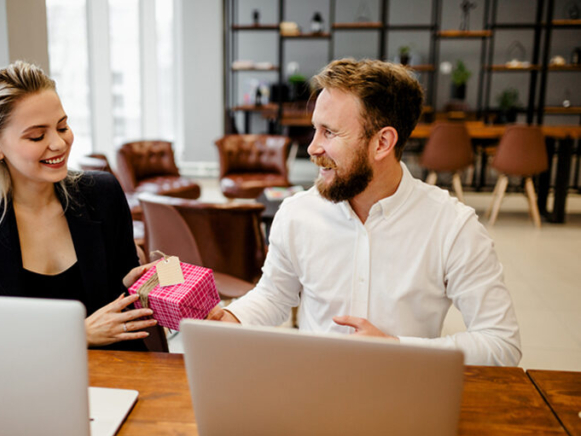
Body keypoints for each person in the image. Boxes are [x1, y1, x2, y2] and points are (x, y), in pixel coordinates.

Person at [209, 59, 521, 366]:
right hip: (313, 395)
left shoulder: (453, 227)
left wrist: (396, 348)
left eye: (329, 133)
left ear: (382, 142)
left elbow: (501, 343)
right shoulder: (296, 213)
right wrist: (235, 317)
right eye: (315, 130)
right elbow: (275, 295)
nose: (312, 148)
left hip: (405, 399)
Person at [0, 61, 156, 350]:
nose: (59, 144)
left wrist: (143, 283)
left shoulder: (102, 193)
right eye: (37, 136)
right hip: (25, 378)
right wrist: (75, 334)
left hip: (119, 369)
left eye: (62, 126)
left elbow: (121, 298)